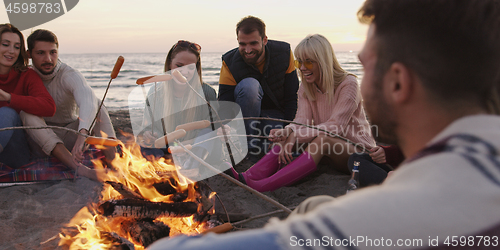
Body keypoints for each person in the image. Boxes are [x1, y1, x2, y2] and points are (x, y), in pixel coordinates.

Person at [147, 0, 500, 249]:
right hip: (345, 156)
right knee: (311, 202)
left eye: (368, 59)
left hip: (343, 146)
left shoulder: (398, 215)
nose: (359, 62)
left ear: (398, 82)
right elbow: (301, 120)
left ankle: (262, 183)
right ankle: (252, 177)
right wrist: (287, 134)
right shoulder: (476, 169)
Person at [228, 34, 375, 192]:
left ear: (323, 61)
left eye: (308, 62)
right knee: (284, 139)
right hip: (330, 154)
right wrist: (288, 131)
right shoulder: (306, 87)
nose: (302, 68)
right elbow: (301, 121)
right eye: (299, 62)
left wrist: (295, 136)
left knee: (322, 139)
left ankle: (265, 185)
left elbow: (335, 127)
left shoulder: (348, 84)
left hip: (360, 153)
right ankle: (249, 176)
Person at [21, 29, 116, 180]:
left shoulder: (68, 74)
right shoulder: (25, 75)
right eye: (40, 53)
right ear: (29, 54)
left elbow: (86, 98)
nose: (48, 59)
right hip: (39, 143)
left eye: (53, 52)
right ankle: (83, 170)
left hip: (70, 136)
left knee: (96, 102)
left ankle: (115, 164)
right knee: (26, 113)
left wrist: (82, 134)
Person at [136, 40, 232, 180]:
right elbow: (150, 129)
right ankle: (170, 169)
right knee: (143, 145)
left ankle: (189, 168)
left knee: (208, 132)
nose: (185, 72)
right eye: (179, 66)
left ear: (197, 68)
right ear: (169, 64)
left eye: (191, 68)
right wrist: (149, 134)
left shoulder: (207, 92)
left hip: (198, 150)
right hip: (168, 150)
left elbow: (212, 129)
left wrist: (222, 130)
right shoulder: (155, 93)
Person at [218, 16, 299, 155]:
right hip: (245, 119)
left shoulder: (284, 53)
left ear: (264, 40)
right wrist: (223, 127)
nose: (247, 50)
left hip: (275, 115)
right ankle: (249, 145)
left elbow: (292, 97)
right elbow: (225, 103)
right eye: (242, 44)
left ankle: (261, 145)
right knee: (250, 86)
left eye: (253, 43)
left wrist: (287, 129)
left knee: (279, 146)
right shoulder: (229, 61)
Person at [0, 24, 55, 169]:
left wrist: (9, 98)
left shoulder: (26, 74)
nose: (11, 51)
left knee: (7, 113)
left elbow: (49, 107)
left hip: (16, 152)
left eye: (17, 47)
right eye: (5, 44)